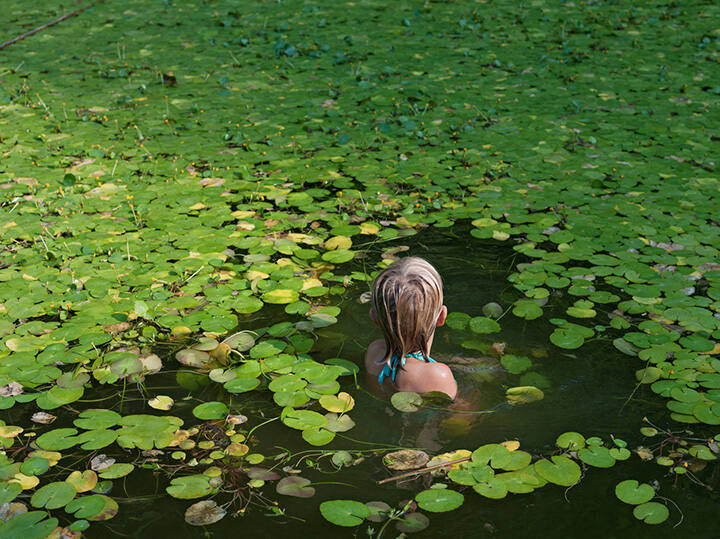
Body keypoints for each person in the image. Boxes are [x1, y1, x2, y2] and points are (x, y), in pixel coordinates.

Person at [364, 257, 458, 400]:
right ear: (441, 317)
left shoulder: (374, 352)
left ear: (374, 317)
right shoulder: (439, 375)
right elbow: (459, 416)